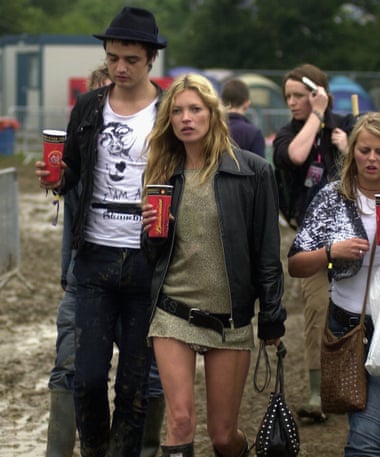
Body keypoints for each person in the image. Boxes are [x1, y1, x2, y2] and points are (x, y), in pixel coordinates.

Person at [36, 6, 167, 457]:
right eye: (113, 58)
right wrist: (56, 177)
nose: (120, 67)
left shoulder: (169, 110)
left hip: (147, 263)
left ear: (151, 57)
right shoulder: (89, 105)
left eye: (130, 59)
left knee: (134, 387)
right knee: (87, 378)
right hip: (93, 256)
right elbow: (71, 168)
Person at [141, 73, 286, 457]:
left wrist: (271, 316)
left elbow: (267, 251)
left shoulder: (253, 172)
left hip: (230, 319)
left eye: (195, 109)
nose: (186, 118)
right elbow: (153, 257)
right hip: (172, 312)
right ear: (169, 121)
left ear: (213, 114)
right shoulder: (162, 174)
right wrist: (153, 235)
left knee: (223, 437)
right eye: (177, 112)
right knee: (181, 420)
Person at [288, 111, 380, 456]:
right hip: (349, 329)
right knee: (365, 441)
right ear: (351, 150)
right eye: (365, 150)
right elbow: (296, 263)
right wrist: (332, 252)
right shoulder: (332, 198)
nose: (372, 159)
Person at [273, 63, 354, 422]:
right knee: (317, 314)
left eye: (298, 95)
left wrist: (348, 146)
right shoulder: (287, 135)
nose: (291, 102)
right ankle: (318, 394)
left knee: (363, 315)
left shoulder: (348, 126)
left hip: (357, 238)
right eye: (287, 96)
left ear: (318, 91)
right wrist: (316, 115)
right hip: (313, 243)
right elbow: (295, 157)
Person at [221, 78, 266, 157]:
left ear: (222, 101)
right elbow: (259, 167)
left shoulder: (212, 129)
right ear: (247, 103)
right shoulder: (254, 133)